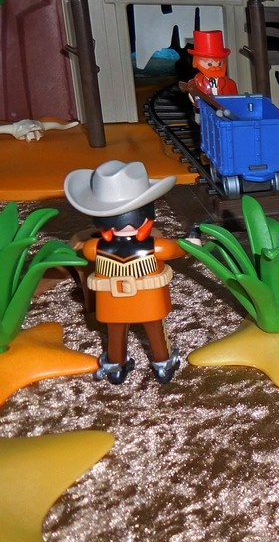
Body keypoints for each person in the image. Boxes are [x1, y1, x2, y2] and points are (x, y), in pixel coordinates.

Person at [64, 161, 198, 385]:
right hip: (147, 299)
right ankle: (162, 364)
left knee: (116, 331)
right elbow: (178, 247)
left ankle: (116, 366)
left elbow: (85, 250)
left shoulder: (94, 248)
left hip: (113, 301)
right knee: (154, 330)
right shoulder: (157, 247)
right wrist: (193, 242)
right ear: (147, 215)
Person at [187, 29, 238, 97]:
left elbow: (236, 99)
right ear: (196, 62)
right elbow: (194, 98)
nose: (216, 68)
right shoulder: (195, 83)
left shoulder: (230, 84)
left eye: (219, 64)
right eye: (209, 64)